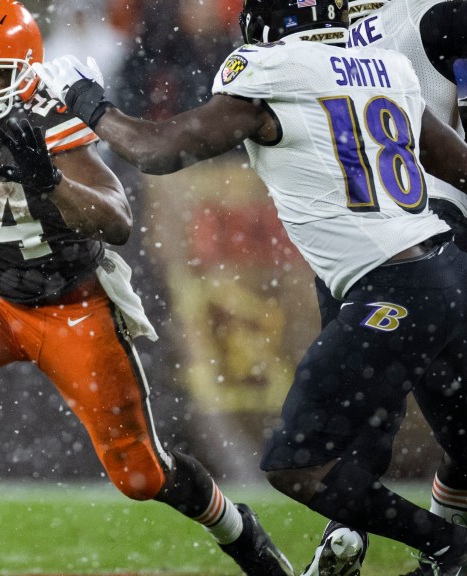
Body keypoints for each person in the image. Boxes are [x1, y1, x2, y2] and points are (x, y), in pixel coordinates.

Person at [0, 1, 294, 575]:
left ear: (22, 71)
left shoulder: (48, 113)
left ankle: (236, 528)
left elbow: (117, 220)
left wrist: (46, 180)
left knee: (143, 475)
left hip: (72, 305)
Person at [33, 0, 467, 572]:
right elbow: (458, 164)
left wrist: (89, 101)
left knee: (298, 467)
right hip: (447, 273)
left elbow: (158, 151)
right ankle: (427, 547)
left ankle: (448, 547)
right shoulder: (389, 69)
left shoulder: (272, 71)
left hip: (391, 287)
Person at [298, 0, 467, 574]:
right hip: (438, 226)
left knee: (362, 406)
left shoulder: (326, 24)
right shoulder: (442, 17)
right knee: (460, 423)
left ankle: (348, 526)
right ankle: (447, 550)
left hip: (349, 230)